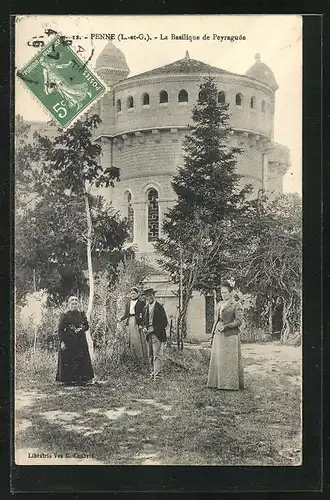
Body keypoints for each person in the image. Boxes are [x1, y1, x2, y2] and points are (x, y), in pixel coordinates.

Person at [207, 281, 244, 390]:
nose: (223, 295)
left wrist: (226, 326)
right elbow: (216, 320)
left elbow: (239, 321)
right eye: (222, 293)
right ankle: (217, 383)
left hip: (230, 335)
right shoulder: (219, 304)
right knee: (218, 358)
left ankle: (230, 385)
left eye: (226, 293)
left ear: (231, 293)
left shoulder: (236, 304)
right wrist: (212, 334)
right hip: (219, 333)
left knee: (229, 360)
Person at [56, 296, 94, 386]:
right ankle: (68, 380)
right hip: (68, 341)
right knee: (68, 359)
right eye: (72, 303)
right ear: (69, 304)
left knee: (81, 359)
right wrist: (62, 342)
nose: (74, 305)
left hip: (80, 341)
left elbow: (87, 326)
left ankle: (81, 380)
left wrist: (81, 329)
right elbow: (60, 329)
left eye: (75, 303)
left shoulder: (81, 314)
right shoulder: (64, 315)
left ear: (78, 304)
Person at [142, 288, 168, 380]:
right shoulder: (145, 308)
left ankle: (158, 376)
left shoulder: (159, 307)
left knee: (157, 355)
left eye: (150, 295)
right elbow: (143, 322)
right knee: (150, 355)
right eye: (147, 296)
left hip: (157, 334)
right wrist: (145, 327)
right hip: (148, 335)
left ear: (153, 295)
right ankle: (152, 374)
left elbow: (165, 322)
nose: (148, 298)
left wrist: (154, 328)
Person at [120, 287, 148, 363]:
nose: (132, 295)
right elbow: (126, 314)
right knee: (131, 340)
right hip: (130, 321)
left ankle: (141, 359)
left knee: (138, 340)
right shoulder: (128, 303)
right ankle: (133, 359)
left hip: (137, 322)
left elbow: (143, 314)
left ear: (137, 294)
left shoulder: (141, 302)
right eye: (131, 293)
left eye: (134, 293)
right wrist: (121, 319)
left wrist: (141, 324)